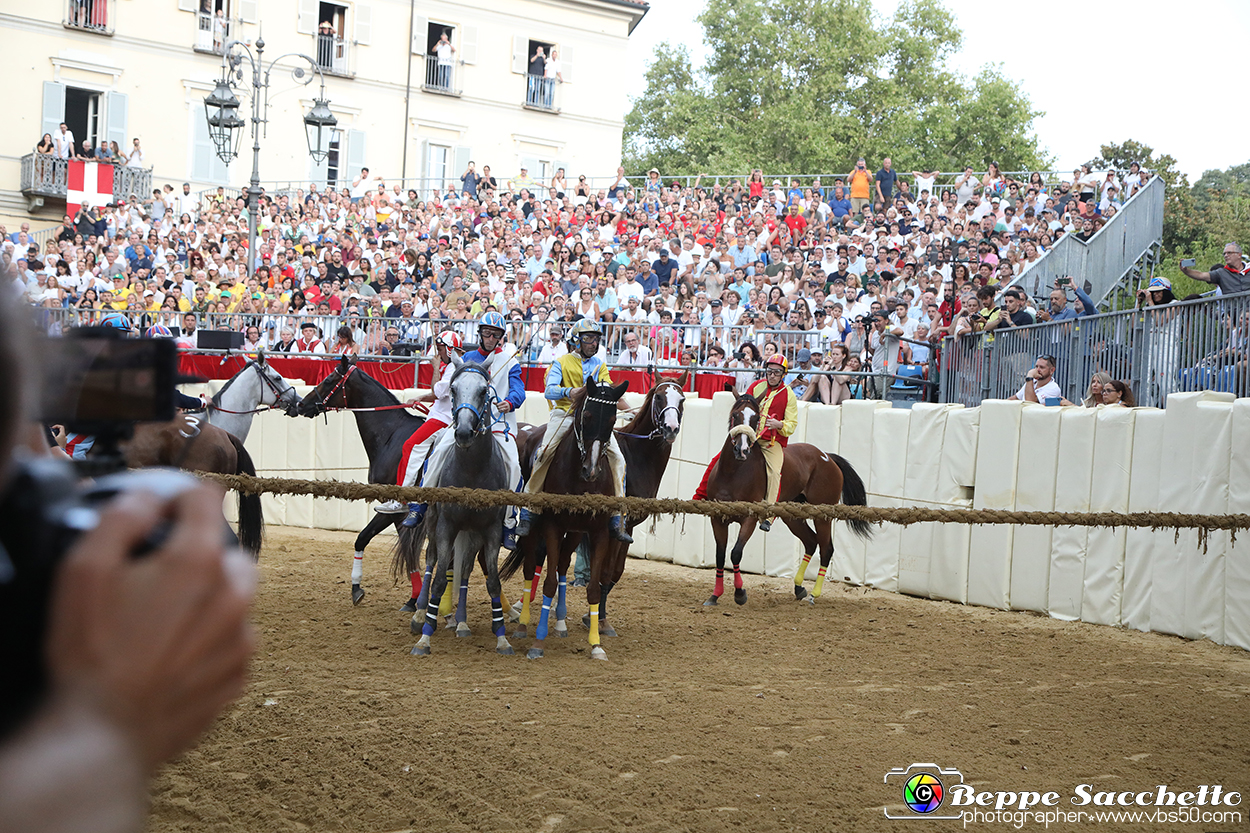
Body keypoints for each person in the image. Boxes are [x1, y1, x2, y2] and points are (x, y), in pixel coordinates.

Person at [0, 295, 254, 833]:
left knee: (67, 462)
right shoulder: (92, 380)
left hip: (95, 432)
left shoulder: (103, 378)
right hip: (84, 436)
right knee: (67, 460)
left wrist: (190, 404)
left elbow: (167, 395)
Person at [407, 312, 525, 547]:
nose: (491, 338)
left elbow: (519, 389)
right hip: (466, 422)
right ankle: (419, 504)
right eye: (487, 333)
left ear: (501, 337)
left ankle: (510, 522)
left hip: (498, 424)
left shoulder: (510, 361)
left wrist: (510, 401)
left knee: (513, 465)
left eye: (496, 335)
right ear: (480, 334)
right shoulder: (466, 358)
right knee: (438, 452)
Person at [515, 318, 632, 543]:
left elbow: (608, 389)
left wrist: (631, 412)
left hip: (592, 419)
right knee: (544, 453)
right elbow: (549, 391)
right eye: (588, 338)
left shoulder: (600, 364)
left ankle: (618, 515)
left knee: (619, 459)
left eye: (596, 339)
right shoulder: (560, 363)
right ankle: (529, 510)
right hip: (565, 415)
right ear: (576, 340)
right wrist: (571, 392)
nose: (593, 342)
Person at [692, 354, 797, 532]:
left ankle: (769, 514)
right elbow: (745, 405)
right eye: (770, 371)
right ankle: (700, 496)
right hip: (749, 437)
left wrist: (779, 425)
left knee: (774, 473)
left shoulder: (789, 395)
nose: (772, 375)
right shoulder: (756, 386)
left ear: (783, 374)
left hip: (771, 442)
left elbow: (791, 424)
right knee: (717, 460)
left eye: (777, 372)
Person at [394, 330, 462, 521]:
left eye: (440, 349)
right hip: (439, 414)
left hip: (442, 420)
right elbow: (437, 394)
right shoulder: (452, 368)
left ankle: (402, 497)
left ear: (449, 350)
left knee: (411, 445)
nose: (438, 354)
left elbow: (437, 391)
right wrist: (421, 398)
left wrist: (434, 368)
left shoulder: (453, 368)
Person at [1180, 243, 1250, 296]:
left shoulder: (1248, 269)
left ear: (1239, 255)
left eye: (1229, 253)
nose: (1226, 255)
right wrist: (1186, 271)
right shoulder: (1221, 273)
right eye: (1224, 254)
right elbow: (1201, 275)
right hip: (1233, 312)